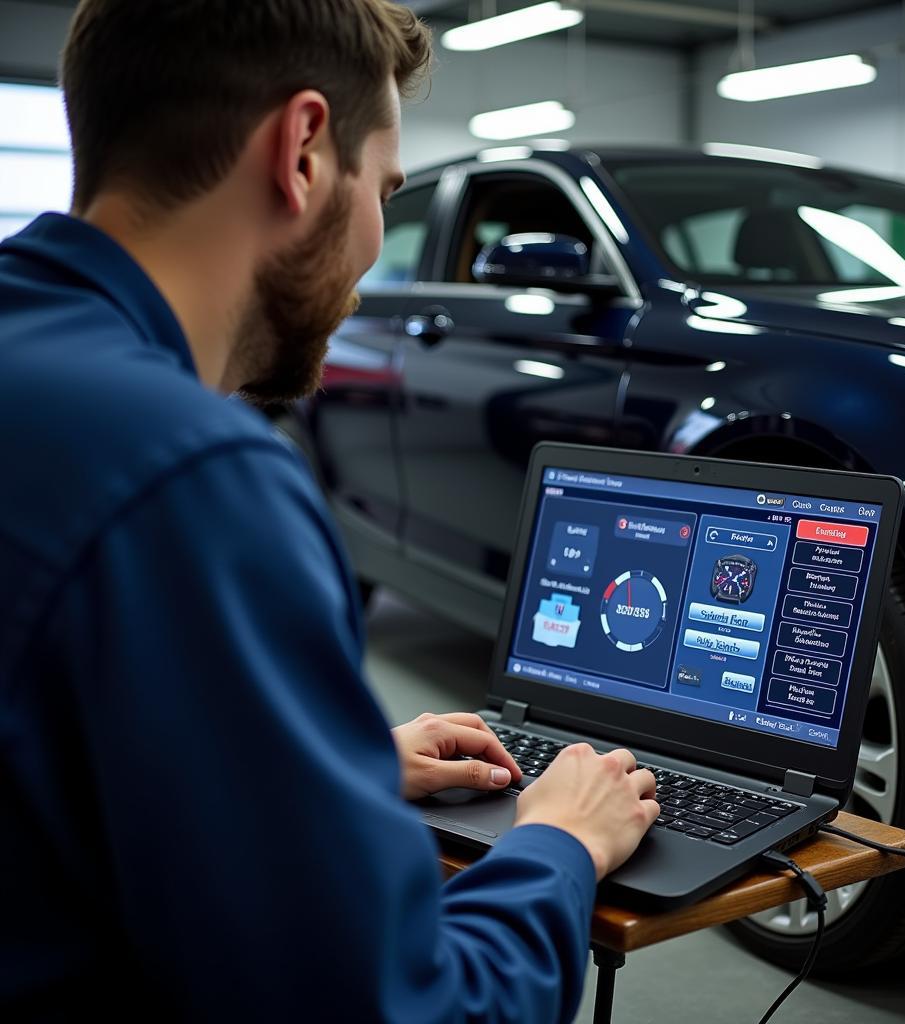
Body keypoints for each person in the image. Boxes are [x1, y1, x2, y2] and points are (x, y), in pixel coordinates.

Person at [0, 1, 660, 1020]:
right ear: (304, 150)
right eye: (386, 189)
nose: (375, 244)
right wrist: (560, 842)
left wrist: (311, 771)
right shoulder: (195, 477)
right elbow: (404, 1008)